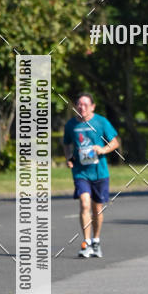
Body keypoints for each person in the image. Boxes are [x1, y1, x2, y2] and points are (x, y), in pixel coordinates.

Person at [63, 92, 119, 258]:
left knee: (97, 208)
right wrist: (68, 158)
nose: (82, 107)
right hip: (81, 172)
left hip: (99, 172)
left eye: (86, 104)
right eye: (79, 104)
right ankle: (86, 243)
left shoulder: (101, 122)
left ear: (93, 106)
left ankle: (96, 240)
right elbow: (66, 144)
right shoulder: (71, 125)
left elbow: (115, 142)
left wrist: (103, 149)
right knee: (84, 203)